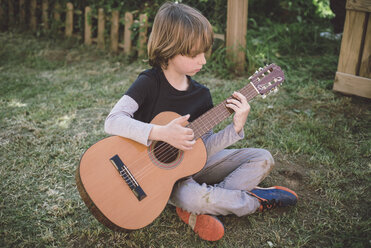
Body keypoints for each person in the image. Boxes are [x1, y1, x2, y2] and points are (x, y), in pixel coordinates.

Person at [104, 2, 298, 242]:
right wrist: (161, 132)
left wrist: (236, 128)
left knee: (262, 158)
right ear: (169, 48)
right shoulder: (148, 82)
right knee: (192, 197)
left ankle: (203, 209)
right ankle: (251, 201)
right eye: (195, 54)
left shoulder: (202, 96)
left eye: (204, 52)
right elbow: (112, 121)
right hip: (159, 180)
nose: (203, 61)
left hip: (191, 167)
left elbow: (202, 150)